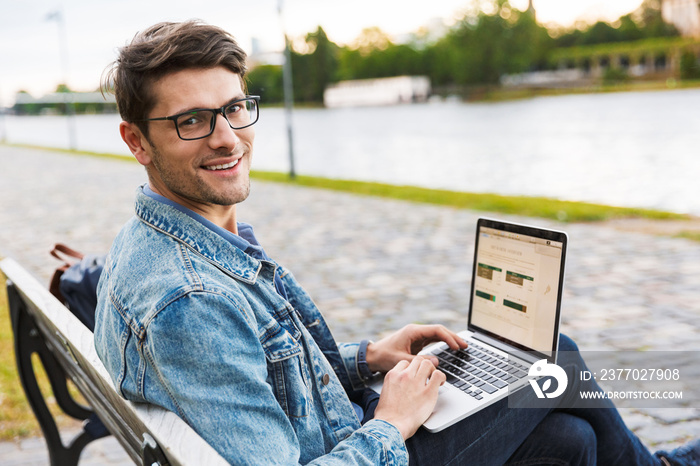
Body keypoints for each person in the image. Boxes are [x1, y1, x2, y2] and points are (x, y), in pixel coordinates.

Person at [94, 20, 698, 466]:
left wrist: (366, 360)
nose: (226, 138)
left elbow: (260, 382)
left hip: (342, 432)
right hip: (363, 448)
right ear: (137, 140)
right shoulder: (188, 300)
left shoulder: (167, 240)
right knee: (553, 356)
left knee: (570, 442)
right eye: (192, 121)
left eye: (233, 109)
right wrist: (393, 421)